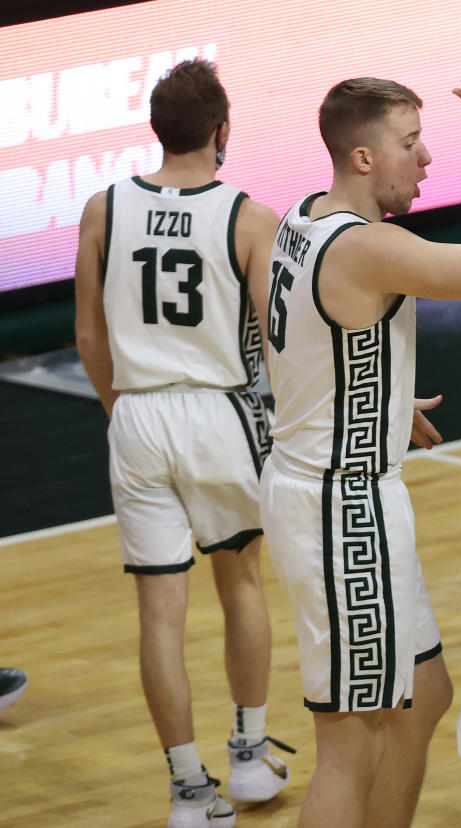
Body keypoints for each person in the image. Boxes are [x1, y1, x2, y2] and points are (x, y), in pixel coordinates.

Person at [258, 66, 461, 828]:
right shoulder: (366, 249)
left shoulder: (301, 217)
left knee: (425, 698)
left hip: (331, 483)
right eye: (410, 144)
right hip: (340, 503)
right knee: (350, 744)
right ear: (362, 159)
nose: (425, 159)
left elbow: (289, 326)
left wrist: (376, 400)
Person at [74, 59, 288, 828]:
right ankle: (250, 756)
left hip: (135, 417)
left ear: (157, 130)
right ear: (222, 131)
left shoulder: (103, 207)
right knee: (241, 584)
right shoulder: (251, 217)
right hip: (218, 414)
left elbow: (88, 333)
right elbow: (277, 343)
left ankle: (189, 793)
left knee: (158, 617)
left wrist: (117, 410)